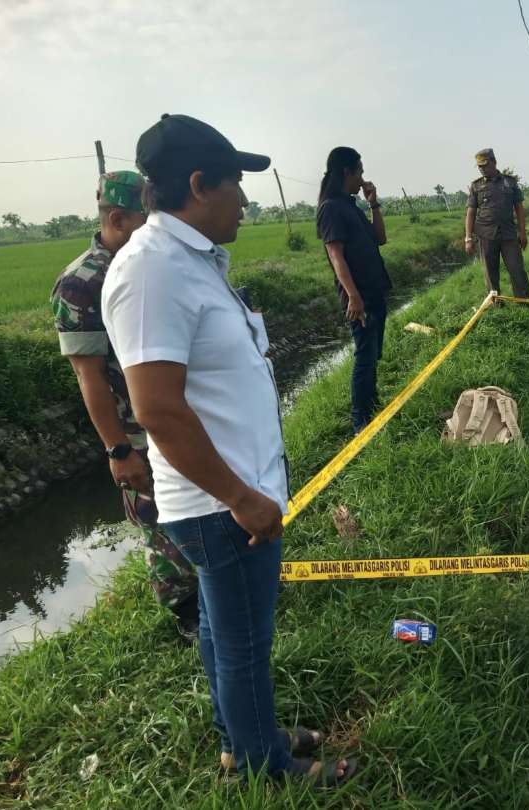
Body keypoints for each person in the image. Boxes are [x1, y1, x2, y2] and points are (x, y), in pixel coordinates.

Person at [101, 114, 356, 786]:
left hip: (231, 493)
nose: (245, 200)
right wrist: (243, 498)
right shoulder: (153, 271)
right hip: (222, 503)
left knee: (221, 630)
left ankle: (242, 740)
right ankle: (264, 768)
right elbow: (157, 408)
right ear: (196, 184)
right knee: (245, 644)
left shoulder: (192, 263)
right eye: (236, 186)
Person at [50, 170, 199, 640]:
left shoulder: (152, 264)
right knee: (160, 527)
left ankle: (217, 589)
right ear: (118, 217)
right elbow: (88, 375)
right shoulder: (81, 284)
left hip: (179, 415)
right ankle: (188, 615)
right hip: (137, 431)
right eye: (145, 218)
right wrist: (119, 450)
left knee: (199, 509)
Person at [316, 147, 391, 434]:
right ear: (346, 172)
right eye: (359, 171)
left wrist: (373, 204)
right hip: (359, 297)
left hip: (374, 290)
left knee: (373, 354)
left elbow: (380, 239)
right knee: (364, 356)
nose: (362, 178)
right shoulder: (331, 208)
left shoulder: (351, 206)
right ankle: (361, 422)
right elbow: (336, 256)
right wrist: (353, 296)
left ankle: (372, 406)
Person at [464, 148, 529, 300]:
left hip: (508, 234)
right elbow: (470, 213)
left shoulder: (510, 182)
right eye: (479, 166)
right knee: (490, 273)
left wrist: (522, 233)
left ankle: (524, 303)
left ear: (494, 162)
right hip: (486, 235)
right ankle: (496, 303)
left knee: (517, 270)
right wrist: (468, 238)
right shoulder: (476, 186)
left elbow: (519, 209)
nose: (482, 169)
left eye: (485, 165)